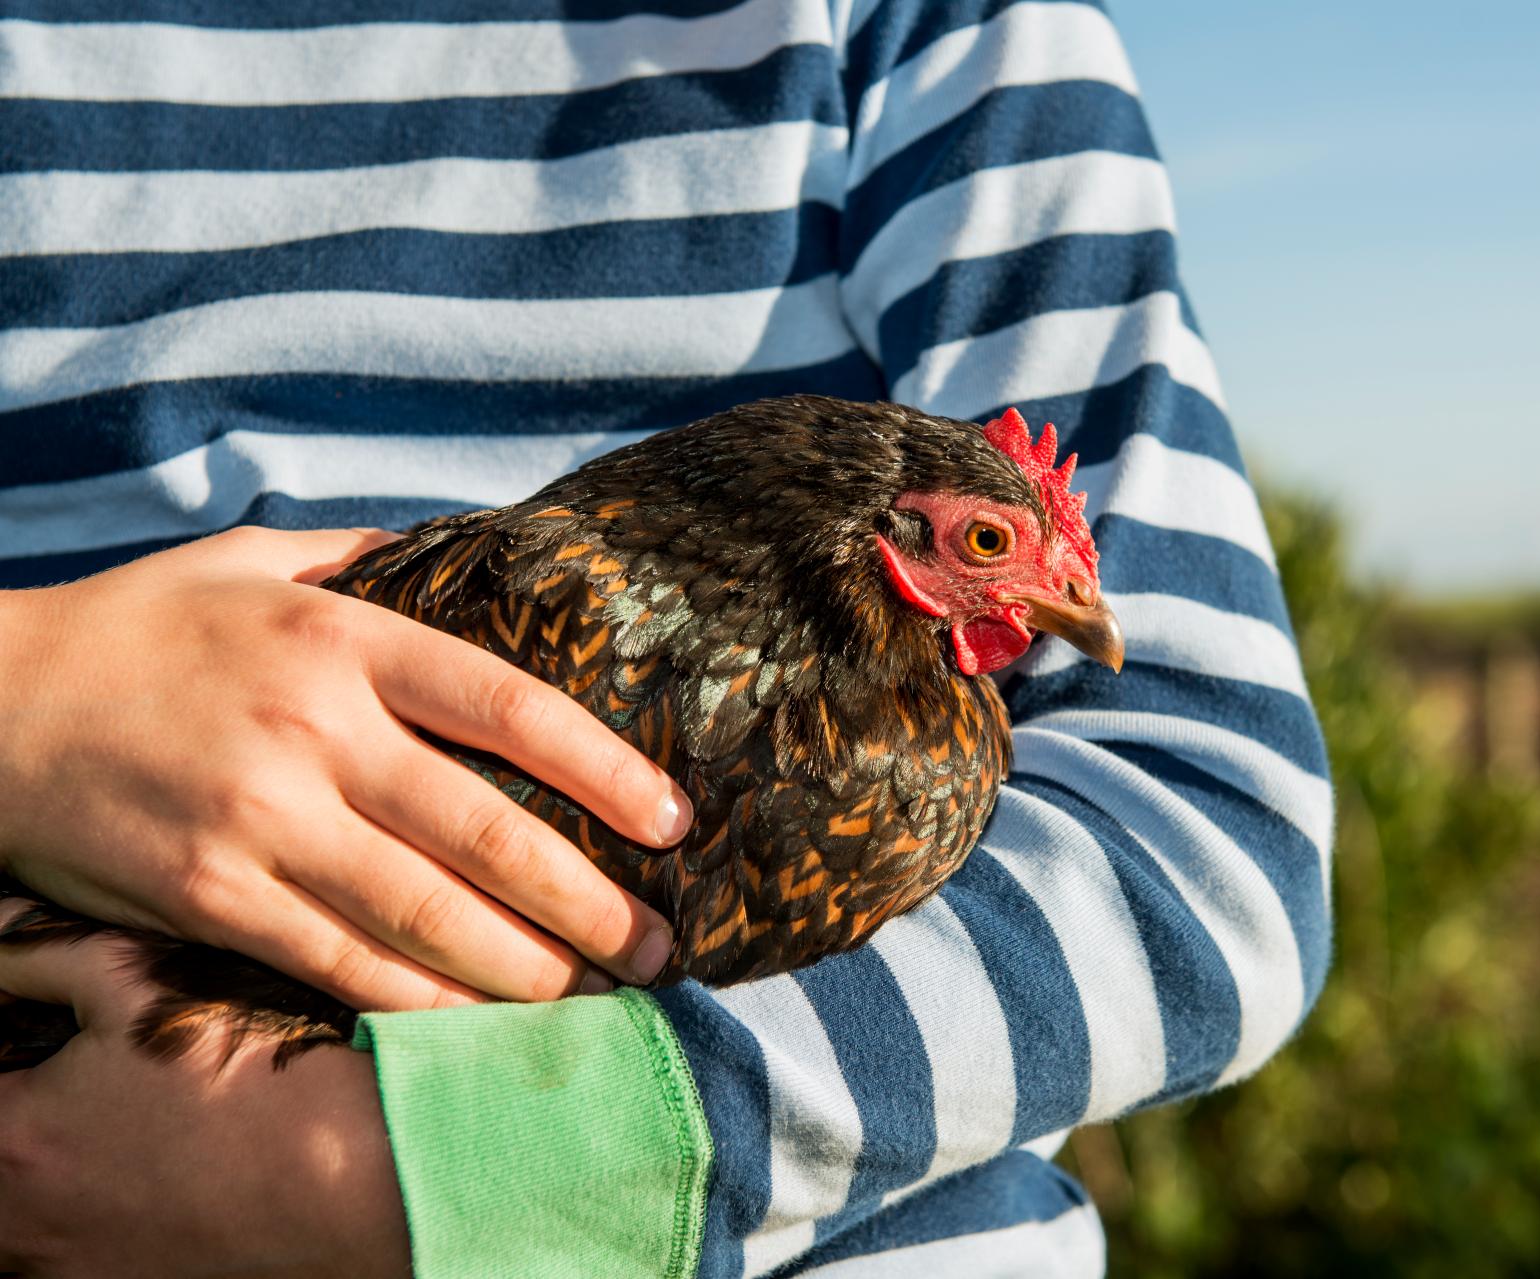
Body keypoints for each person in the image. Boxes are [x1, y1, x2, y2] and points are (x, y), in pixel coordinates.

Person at [0, 2, 1334, 1275]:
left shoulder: (911, 24)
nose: (1063, 604)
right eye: (986, 543)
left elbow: (1215, 843)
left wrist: (461, 1164)